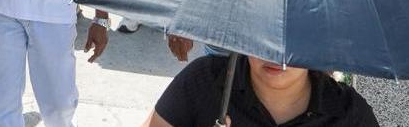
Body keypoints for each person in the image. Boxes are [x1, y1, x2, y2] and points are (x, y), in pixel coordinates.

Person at [143, 55, 379, 127]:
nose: (276, 53)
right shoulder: (204, 80)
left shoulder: (350, 114)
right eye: (265, 32)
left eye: (292, 36)